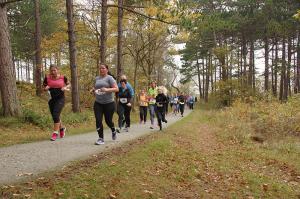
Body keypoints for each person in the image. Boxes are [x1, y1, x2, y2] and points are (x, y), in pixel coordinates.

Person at [91, 63, 119, 145]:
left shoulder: (110, 78)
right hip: (98, 103)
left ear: (107, 69)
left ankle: (113, 130)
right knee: (98, 120)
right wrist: (93, 90)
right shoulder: (97, 78)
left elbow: (116, 89)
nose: (101, 70)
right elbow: (96, 87)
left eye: (103, 68)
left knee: (108, 121)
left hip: (109, 103)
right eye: (100, 68)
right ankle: (101, 138)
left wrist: (107, 89)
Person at [43, 64, 70, 141]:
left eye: (54, 70)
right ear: (50, 71)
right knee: (55, 116)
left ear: (58, 70)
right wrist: (46, 88)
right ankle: (62, 128)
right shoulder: (47, 78)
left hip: (60, 98)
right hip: (51, 99)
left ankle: (55, 133)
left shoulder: (63, 77)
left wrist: (65, 87)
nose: (53, 72)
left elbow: (69, 84)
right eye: (51, 70)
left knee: (55, 114)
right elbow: (43, 87)